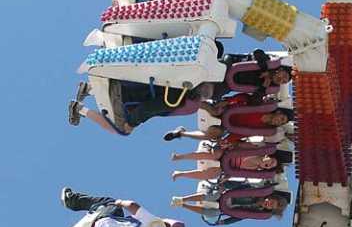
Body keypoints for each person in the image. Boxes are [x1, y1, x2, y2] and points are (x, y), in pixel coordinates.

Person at [68, 80, 213, 135]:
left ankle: (89, 88)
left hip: (123, 80)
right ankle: (79, 109)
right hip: (121, 93)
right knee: (119, 130)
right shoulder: (176, 99)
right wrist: (131, 124)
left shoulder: (181, 79)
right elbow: (149, 108)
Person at [61, 187, 192, 227]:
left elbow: (133, 205)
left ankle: (72, 200)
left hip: (103, 226)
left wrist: (120, 202)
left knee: (110, 202)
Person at [170, 144, 293, 181]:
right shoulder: (256, 150)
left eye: (270, 166)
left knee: (212, 174)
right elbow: (240, 143)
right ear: (267, 156)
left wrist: (226, 177)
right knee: (214, 155)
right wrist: (227, 145)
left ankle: (180, 174)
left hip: (227, 166)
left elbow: (237, 173)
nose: (269, 164)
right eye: (271, 161)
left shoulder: (254, 170)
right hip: (225, 152)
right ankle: (181, 157)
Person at [163, 108, 294, 142]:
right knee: (213, 109)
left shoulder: (265, 129)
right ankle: (173, 107)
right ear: (278, 112)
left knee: (213, 135)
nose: (279, 121)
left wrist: (229, 140)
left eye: (282, 122)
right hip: (228, 111)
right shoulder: (266, 107)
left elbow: (245, 132)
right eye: (281, 118)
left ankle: (181, 133)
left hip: (228, 126)